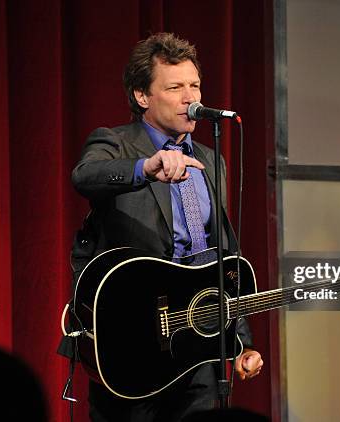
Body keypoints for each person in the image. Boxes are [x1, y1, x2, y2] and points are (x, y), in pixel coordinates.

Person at [68, 33, 263, 421]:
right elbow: (85, 175)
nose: (190, 97)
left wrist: (240, 342)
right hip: (132, 342)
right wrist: (146, 167)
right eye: (175, 87)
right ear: (143, 96)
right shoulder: (116, 143)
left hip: (196, 343)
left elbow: (220, 255)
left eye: (194, 85)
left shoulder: (210, 159)